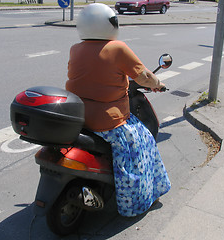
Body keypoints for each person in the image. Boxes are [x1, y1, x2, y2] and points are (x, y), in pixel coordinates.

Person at [66, 3, 171, 217]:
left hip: (78, 116)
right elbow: (143, 77)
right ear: (108, 24)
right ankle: (138, 201)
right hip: (109, 123)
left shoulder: (75, 49)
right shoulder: (118, 48)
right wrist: (157, 84)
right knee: (144, 144)